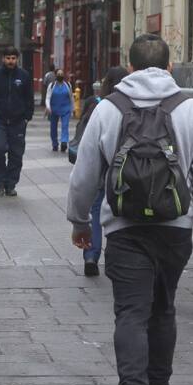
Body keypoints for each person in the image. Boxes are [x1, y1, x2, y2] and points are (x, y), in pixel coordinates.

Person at [67, 34, 193, 385]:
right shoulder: (192, 111)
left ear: (129, 68)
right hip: (175, 227)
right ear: (170, 67)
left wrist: (80, 222)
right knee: (163, 304)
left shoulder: (108, 109)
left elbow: (84, 176)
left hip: (124, 229)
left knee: (130, 311)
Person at [80, 66, 128, 277]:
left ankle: (91, 255)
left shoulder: (96, 105)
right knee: (121, 215)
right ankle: (117, 257)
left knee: (97, 212)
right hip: (124, 173)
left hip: (100, 171)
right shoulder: (132, 105)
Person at [0, 46, 34, 197]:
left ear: (17, 59)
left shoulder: (24, 76)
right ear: (3, 59)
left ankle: (11, 184)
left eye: (13, 58)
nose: (10, 61)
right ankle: (0, 182)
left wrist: (27, 117)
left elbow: (29, 98)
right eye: (8, 58)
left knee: (16, 154)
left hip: (18, 121)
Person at [46, 69, 73, 152]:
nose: (60, 75)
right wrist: (48, 107)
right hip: (53, 110)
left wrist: (73, 108)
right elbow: (48, 97)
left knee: (65, 126)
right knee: (53, 128)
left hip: (65, 109)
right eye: (58, 74)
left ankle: (64, 142)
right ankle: (55, 144)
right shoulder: (51, 85)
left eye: (62, 73)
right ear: (55, 75)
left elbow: (71, 97)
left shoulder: (68, 85)